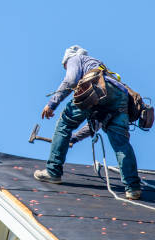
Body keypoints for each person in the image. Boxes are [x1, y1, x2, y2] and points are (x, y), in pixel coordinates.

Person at [33, 45, 142, 199]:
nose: (66, 68)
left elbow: (71, 80)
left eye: (65, 66)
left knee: (64, 124)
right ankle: (133, 188)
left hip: (94, 87)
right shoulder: (101, 67)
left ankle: (53, 172)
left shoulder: (75, 59)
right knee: (121, 143)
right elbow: (97, 122)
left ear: (67, 60)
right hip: (120, 97)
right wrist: (75, 138)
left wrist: (52, 104)